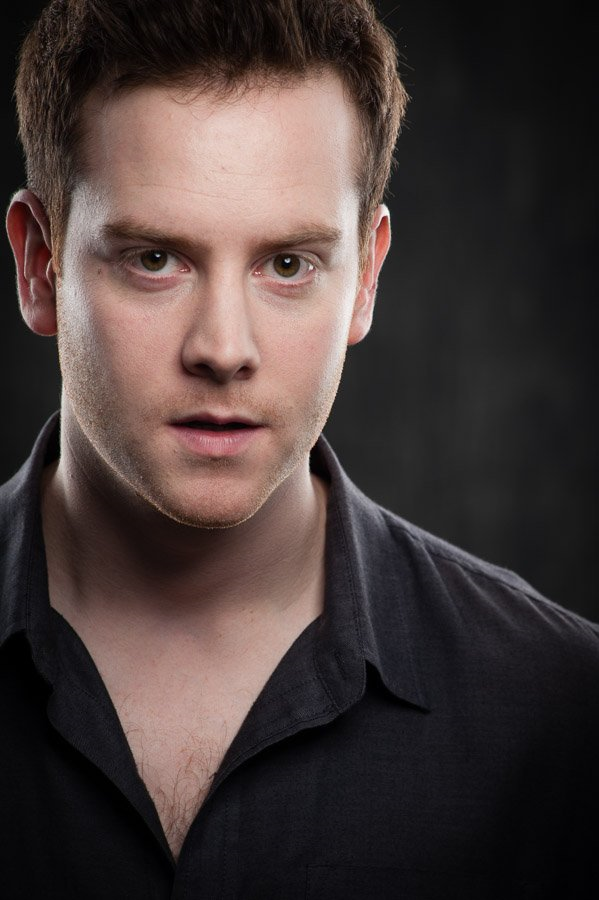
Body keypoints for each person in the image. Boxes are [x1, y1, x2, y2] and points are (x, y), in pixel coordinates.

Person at [0, 0, 597, 897]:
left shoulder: (562, 711)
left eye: (287, 264)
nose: (223, 348)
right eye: (154, 259)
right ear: (38, 264)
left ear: (366, 278)